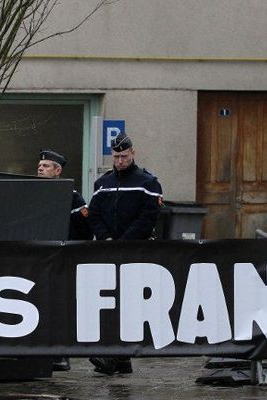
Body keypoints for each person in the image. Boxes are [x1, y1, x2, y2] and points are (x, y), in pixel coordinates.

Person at [87, 132, 162, 375]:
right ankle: (119, 359)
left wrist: (125, 240)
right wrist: (106, 238)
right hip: (110, 250)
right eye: (117, 156)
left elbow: (148, 217)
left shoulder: (147, 182)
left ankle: (116, 357)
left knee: (129, 305)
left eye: (124, 156)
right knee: (112, 304)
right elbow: (95, 214)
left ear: (133, 153)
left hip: (136, 251)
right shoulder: (102, 184)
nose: (120, 161)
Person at [38, 149, 93, 371]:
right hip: (38, 259)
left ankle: (61, 354)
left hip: (61, 259)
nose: (40, 168)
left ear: (58, 171)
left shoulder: (72, 197)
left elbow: (84, 230)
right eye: (40, 165)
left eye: (46, 166)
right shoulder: (32, 193)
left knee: (60, 308)